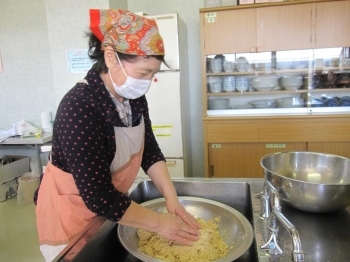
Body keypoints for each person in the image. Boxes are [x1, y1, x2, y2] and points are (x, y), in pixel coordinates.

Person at [35, 9, 200, 262]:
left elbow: (150, 150)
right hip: (71, 216)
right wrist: (160, 224)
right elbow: (99, 197)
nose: (147, 82)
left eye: (153, 74)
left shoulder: (133, 98)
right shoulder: (79, 107)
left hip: (110, 207)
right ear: (111, 57)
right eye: (144, 73)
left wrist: (171, 198)